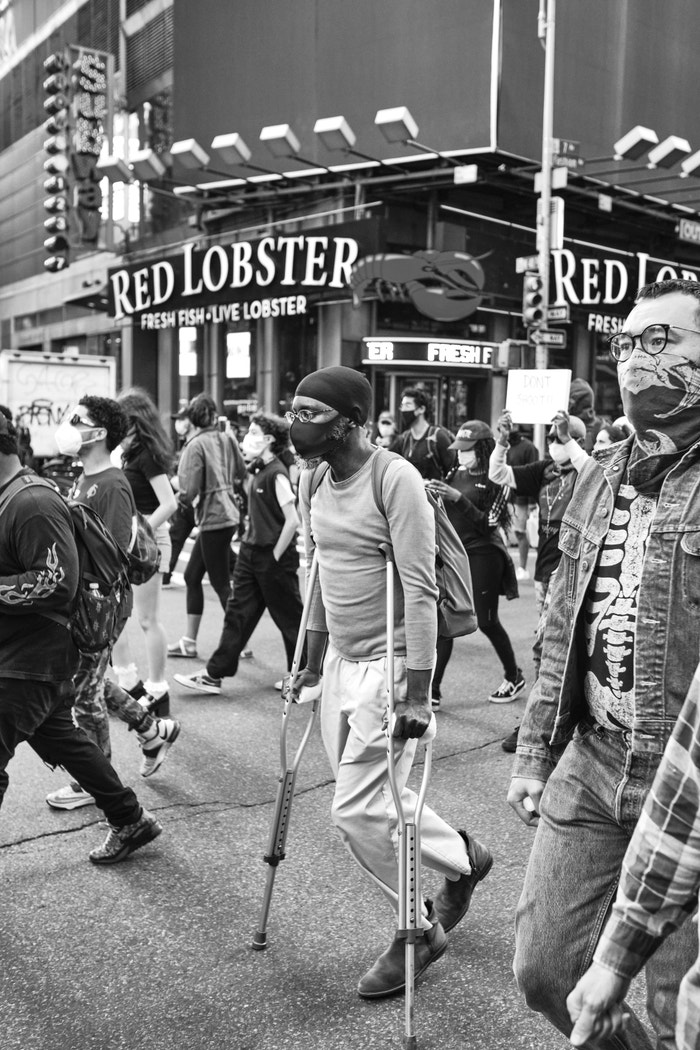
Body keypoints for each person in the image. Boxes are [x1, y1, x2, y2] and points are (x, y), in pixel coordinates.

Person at [508, 278, 700, 1048]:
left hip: (684, 780)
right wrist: (533, 751)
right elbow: (561, 622)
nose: (637, 359)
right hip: (593, 759)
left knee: (667, 1001)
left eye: (663, 341)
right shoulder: (601, 471)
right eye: (629, 343)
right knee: (546, 972)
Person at [282, 365, 492, 999]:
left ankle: (417, 932)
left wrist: (417, 692)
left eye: (310, 414)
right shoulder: (313, 475)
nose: (296, 425)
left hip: (391, 665)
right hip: (342, 662)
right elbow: (320, 569)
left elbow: (421, 589)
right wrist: (312, 660)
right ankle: (464, 857)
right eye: (293, 410)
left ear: (348, 421)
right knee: (380, 802)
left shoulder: (393, 478)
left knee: (354, 811)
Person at [0, 410, 162, 864]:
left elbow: (57, 581)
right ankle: (129, 818)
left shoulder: (31, 502)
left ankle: (148, 739)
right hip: (31, 658)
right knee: (64, 740)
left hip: (30, 660)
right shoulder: (13, 496)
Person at [44, 397, 181, 810]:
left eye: (77, 420)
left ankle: (94, 778)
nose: (68, 426)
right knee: (90, 682)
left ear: (99, 433)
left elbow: (116, 552)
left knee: (83, 696)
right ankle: (152, 729)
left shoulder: (113, 483)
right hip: (82, 603)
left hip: (98, 606)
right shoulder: (85, 477)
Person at [566, 661, 700, 1049]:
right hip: (599, 739)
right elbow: (688, 800)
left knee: (670, 1008)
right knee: (547, 972)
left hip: (665, 737)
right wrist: (614, 962)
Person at [174, 413, 303, 696]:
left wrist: (275, 556)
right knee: (237, 613)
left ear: (269, 439)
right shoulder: (259, 470)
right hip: (250, 552)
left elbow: (293, 520)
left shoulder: (277, 473)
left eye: (254, 432)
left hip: (272, 557)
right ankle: (213, 675)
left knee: (289, 617)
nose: (249, 436)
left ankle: (301, 676)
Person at [490, 410, 589, 751]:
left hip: (570, 570)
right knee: (548, 645)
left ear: (577, 441)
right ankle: (551, 717)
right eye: (550, 437)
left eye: (560, 437)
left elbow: (593, 472)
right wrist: (502, 441)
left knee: (545, 644)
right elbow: (498, 473)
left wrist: (569, 440)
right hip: (544, 571)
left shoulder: (587, 472)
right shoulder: (544, 471)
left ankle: (540, 722)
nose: (553, 443)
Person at [428, 420, 523, 709]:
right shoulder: (455, 471)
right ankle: (432, 690)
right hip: (454, 553)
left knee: (486, 620)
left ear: (482, 450)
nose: (461, 455)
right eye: (458, 450)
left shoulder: (497, 477)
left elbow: (489, 524)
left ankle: (514, 675)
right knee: (447, 618)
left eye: (467, 450)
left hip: (484, 553)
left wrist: (457, 498)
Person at [111, 388, 178, 717]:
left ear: (135, 422)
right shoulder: (129, 453)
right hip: (131, 544)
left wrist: (141, 532)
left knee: (148, 620)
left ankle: (156, 688)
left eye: (122, 422)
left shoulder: (147, 454)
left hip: (148, 544)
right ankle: (128, 683)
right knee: (117, 618)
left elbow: (169, 503)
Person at [167, 393, 246, 659]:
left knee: (221, 582)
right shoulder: (227, 438)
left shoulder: (195, 445)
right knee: (191, 576)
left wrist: (175, 494)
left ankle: (239, 642)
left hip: (213, 517)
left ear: (191, 419)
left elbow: (188, 491)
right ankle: (189, 642)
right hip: (228, 514)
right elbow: (241, 473)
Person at [162, 406, 196, 588]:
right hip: (187, 501)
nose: (178, 423)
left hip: (195, 501)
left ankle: (233, 566)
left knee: (210, 543)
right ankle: (166, 574)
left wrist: (179, 485)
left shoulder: (197, 443)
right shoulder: (187, 444)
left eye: (181, 419)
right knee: (176, 537)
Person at [393, 386, 455, 480]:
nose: (403, 410)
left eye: (408, 405)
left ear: (421, 409)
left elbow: (453, 471)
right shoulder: (404, 439)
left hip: (433, 493)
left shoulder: (438, 436)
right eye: (402, 405)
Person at [505, 425, 538, 580]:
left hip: (521, 497)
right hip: (507, 495)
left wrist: (532, 501)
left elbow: (533, 474)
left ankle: (522, 567)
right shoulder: (503, 446)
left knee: (520, 532)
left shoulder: (528, 448)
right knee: (507, 532)